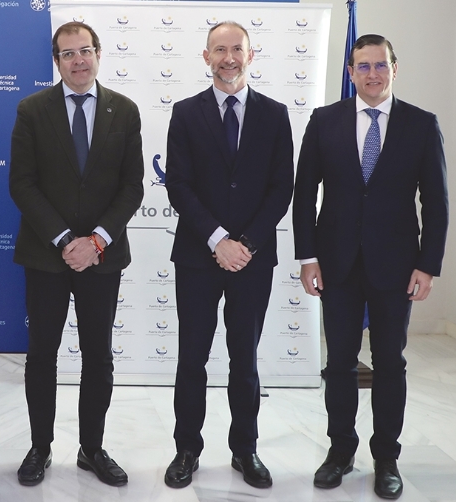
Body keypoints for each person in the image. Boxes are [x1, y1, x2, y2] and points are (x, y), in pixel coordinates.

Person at [292, 34, 448, 500]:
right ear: (350, 72)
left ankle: (386, 458)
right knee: (339, 362)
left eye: (381, 65)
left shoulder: (421, 124)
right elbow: (304, 193)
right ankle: (340, 451)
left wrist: (428, 265)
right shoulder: (324, 121)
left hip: (397, 267)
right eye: (363, 66)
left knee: (390, 364)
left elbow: (436, 201)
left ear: (394, 69)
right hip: (336, 264)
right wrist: (307, 256)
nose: (373, 74)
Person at [9, 21, 144, 488]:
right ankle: (40, 447)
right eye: (68, 54)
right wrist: (67, 240)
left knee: (98, 356)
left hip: (102, 257)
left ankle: (92, 448)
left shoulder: (124, 110)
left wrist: (97, 241)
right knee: (41, 355)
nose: (78, 60)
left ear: (98, 54)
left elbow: (132, 186)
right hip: (47, 255)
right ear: (57, 61)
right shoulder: (32, 109)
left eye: (85, 50)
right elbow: (21, 183)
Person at [163, 21, 294, 490]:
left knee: (245, 360)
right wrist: (218, 239)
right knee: (191, 358)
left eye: (237, 48)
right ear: (206, 57)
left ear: (250, 55)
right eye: (219, 50)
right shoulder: (185, 113)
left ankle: (246, 450)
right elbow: (178, 185)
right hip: (198, 257)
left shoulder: (275, 114)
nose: (228, 58)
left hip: (252, 261)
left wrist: (246, 244)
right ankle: (186, 449)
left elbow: (282, 188)